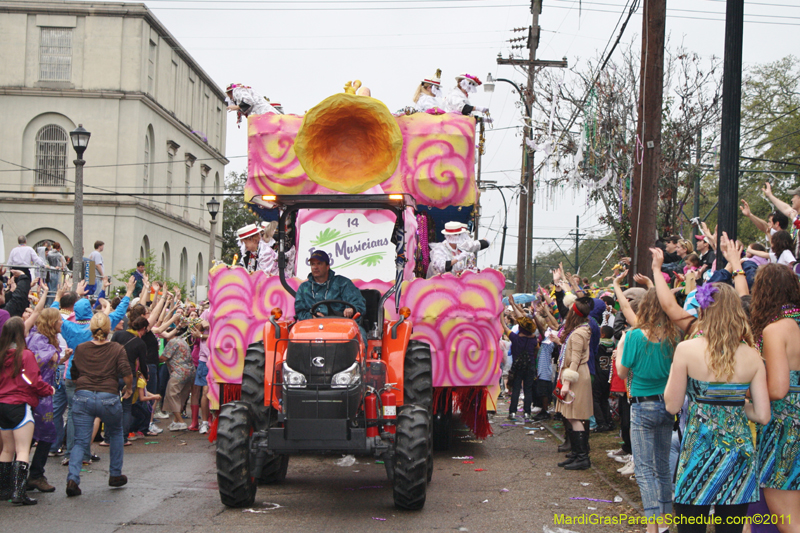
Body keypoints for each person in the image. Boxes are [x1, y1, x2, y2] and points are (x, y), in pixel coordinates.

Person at [665, 283, 771, 533]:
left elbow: (672, 405)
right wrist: (734, 405)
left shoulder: (687, 349)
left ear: (703, 311)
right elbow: (763, 415)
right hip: (738, 453)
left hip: (698, 450)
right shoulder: (752, 355)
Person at [616, 287, 679, 533]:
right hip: (667, 404)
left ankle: (653, 523)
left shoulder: (633, 336)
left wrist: (620, 348)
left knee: (644, 469)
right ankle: (665, 518)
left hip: (642, 405)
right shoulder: (674, 336)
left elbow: (622, 372)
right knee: (663, 466)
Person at [749, 263, 800, 528]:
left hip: (786, 431)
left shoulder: (776, 329)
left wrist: (746, 394)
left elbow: (779, 388)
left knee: (788, 519)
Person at [66, 312, 132, 497]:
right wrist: (129, 388)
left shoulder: (81, 348)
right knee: (116, 432)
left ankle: (73, 478)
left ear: (91, 328)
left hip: (83, 395)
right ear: (108, 328)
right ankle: (115, 474)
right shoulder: (117, 348)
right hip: (108, 396)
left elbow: (74, 373)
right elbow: (126, 372)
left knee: (80, 440)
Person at [0, 317, 55, 505]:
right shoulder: (25, 355)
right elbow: (34, 381)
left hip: (2, 404)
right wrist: (49, 390)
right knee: (23, 449)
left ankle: (4, 489)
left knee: (7, 449)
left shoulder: (1, 354)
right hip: (20, 403)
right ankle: (19, 492)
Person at [25, 308, 66, 493]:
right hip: (36, 394)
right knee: (39, 435)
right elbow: (41, 361)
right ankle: (33, 475)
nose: (61, 323)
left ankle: (30, 475)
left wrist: (63, 357)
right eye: (59, 320)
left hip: (43, 393)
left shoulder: (43, 338)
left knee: (39, 435)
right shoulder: (38, 339)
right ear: (51, 323)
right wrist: (56, 354)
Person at [555, 296, 594, 471]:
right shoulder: (580, 330)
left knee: (574, 415)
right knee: (571, 414)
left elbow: (575, 360)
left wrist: (566, 384)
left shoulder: (578, 333)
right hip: (575, 375)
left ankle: (582, 457)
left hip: (575, 376)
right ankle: (577, 454)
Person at [295, 250, 366, 322]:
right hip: (313, 327)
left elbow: (359, 303)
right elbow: (300, 312)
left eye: (319, 263)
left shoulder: (343, 283)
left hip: (341, 326)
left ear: (327, 266)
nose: (315, 267)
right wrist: (311, 316)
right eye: (313, 264)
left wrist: (352, 309)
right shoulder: (303, 288)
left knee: (359, 332)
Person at [110, 316, 150, 444]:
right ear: (143, 329)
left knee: (112, 405)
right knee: (127, 408)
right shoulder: (140, 343)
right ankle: (123, 437)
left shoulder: (118, 335)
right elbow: (143, 363)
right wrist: (145, 375)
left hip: (113, 373)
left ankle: (108, 437)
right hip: (129, 375)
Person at [501, 296, 539, 421]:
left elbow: (504, 326)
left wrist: (501, 313)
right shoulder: (533, 339)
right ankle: (527, 412)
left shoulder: (515, 338)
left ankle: (512, 412)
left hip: (517, 366)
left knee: (516, 388)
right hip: (530, 365)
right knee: (527, 389)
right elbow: (536, 348)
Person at [592, 325, 615, 432]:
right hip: (608, 374)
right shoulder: (612, 344)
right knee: (604, 399)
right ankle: (609, 421)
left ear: (603, 334)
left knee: (595, 399)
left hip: (598, 374)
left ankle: (601, 423)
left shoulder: (598, 344)